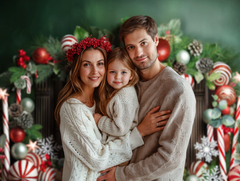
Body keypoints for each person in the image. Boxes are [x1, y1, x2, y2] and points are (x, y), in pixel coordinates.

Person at [54, 36, 171, 181]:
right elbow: (97, 159)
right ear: (77, 69)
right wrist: (140, 132)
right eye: (86, 64)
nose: (95, 71)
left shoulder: (102, 101)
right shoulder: (72, 109)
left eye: (100, 63)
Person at [97, 16, 196, 181]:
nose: (139, 53)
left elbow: (169, 159)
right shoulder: (127, 83)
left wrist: (121, 175)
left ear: (156, 39)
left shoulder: (178, 91)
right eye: (131, 47)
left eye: (144, 43)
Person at [93, 47, 140, 166]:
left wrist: (100, 121)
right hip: (115, 145)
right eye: (112, 72)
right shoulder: (116, 91)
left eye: (123, 72)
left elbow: (120, 128)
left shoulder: (125, 96)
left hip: (121, 149)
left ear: (131, 75)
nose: (117, 77)